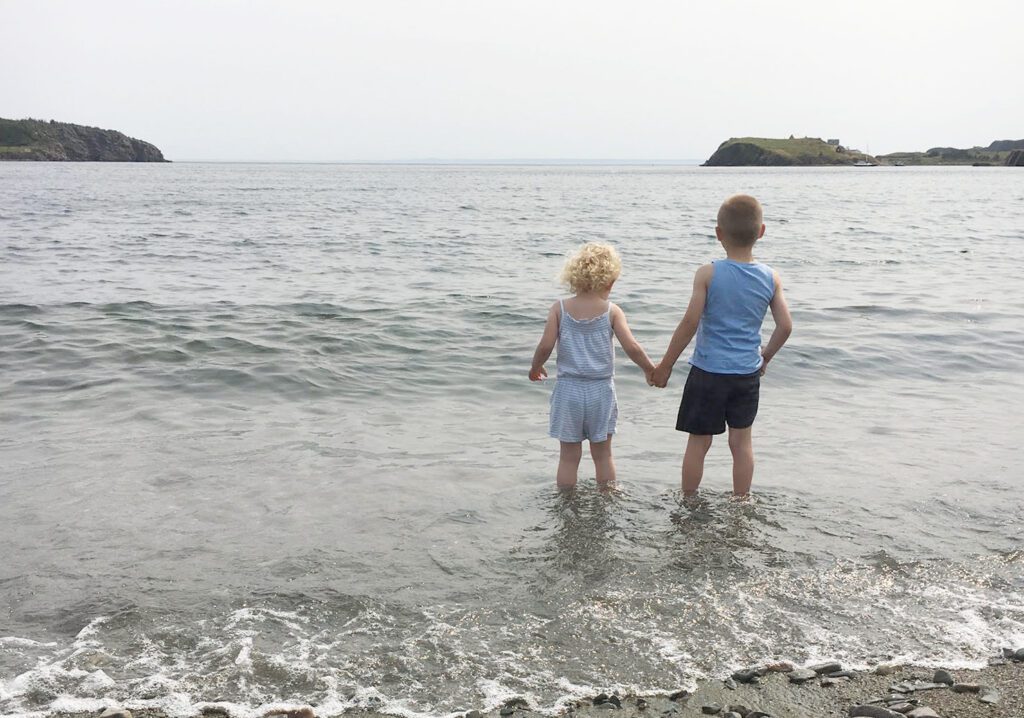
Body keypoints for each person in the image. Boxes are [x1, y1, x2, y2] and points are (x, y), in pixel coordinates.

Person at [650, 195, 792, 498]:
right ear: (762, 231)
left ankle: (689, 498)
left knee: (698, 443)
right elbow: (785, 326)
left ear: (718, 233)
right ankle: (742, 501)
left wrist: (665, 366)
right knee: (741, 444)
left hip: (708, 373)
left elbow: (689, 323)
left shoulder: (708, 273)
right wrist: (765, 357)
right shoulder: (771, 278)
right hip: (746, 374)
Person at [530, 243, 655, 489]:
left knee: (568, 457)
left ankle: (566, 503)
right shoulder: (612, 311)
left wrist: (535, 367)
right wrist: (650, 369)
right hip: (600, 391)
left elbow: (545, 345)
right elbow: (632, 347)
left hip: (569, 390)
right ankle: (607, 499)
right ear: (607, 282)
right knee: (603, 454)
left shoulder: (560, 308)